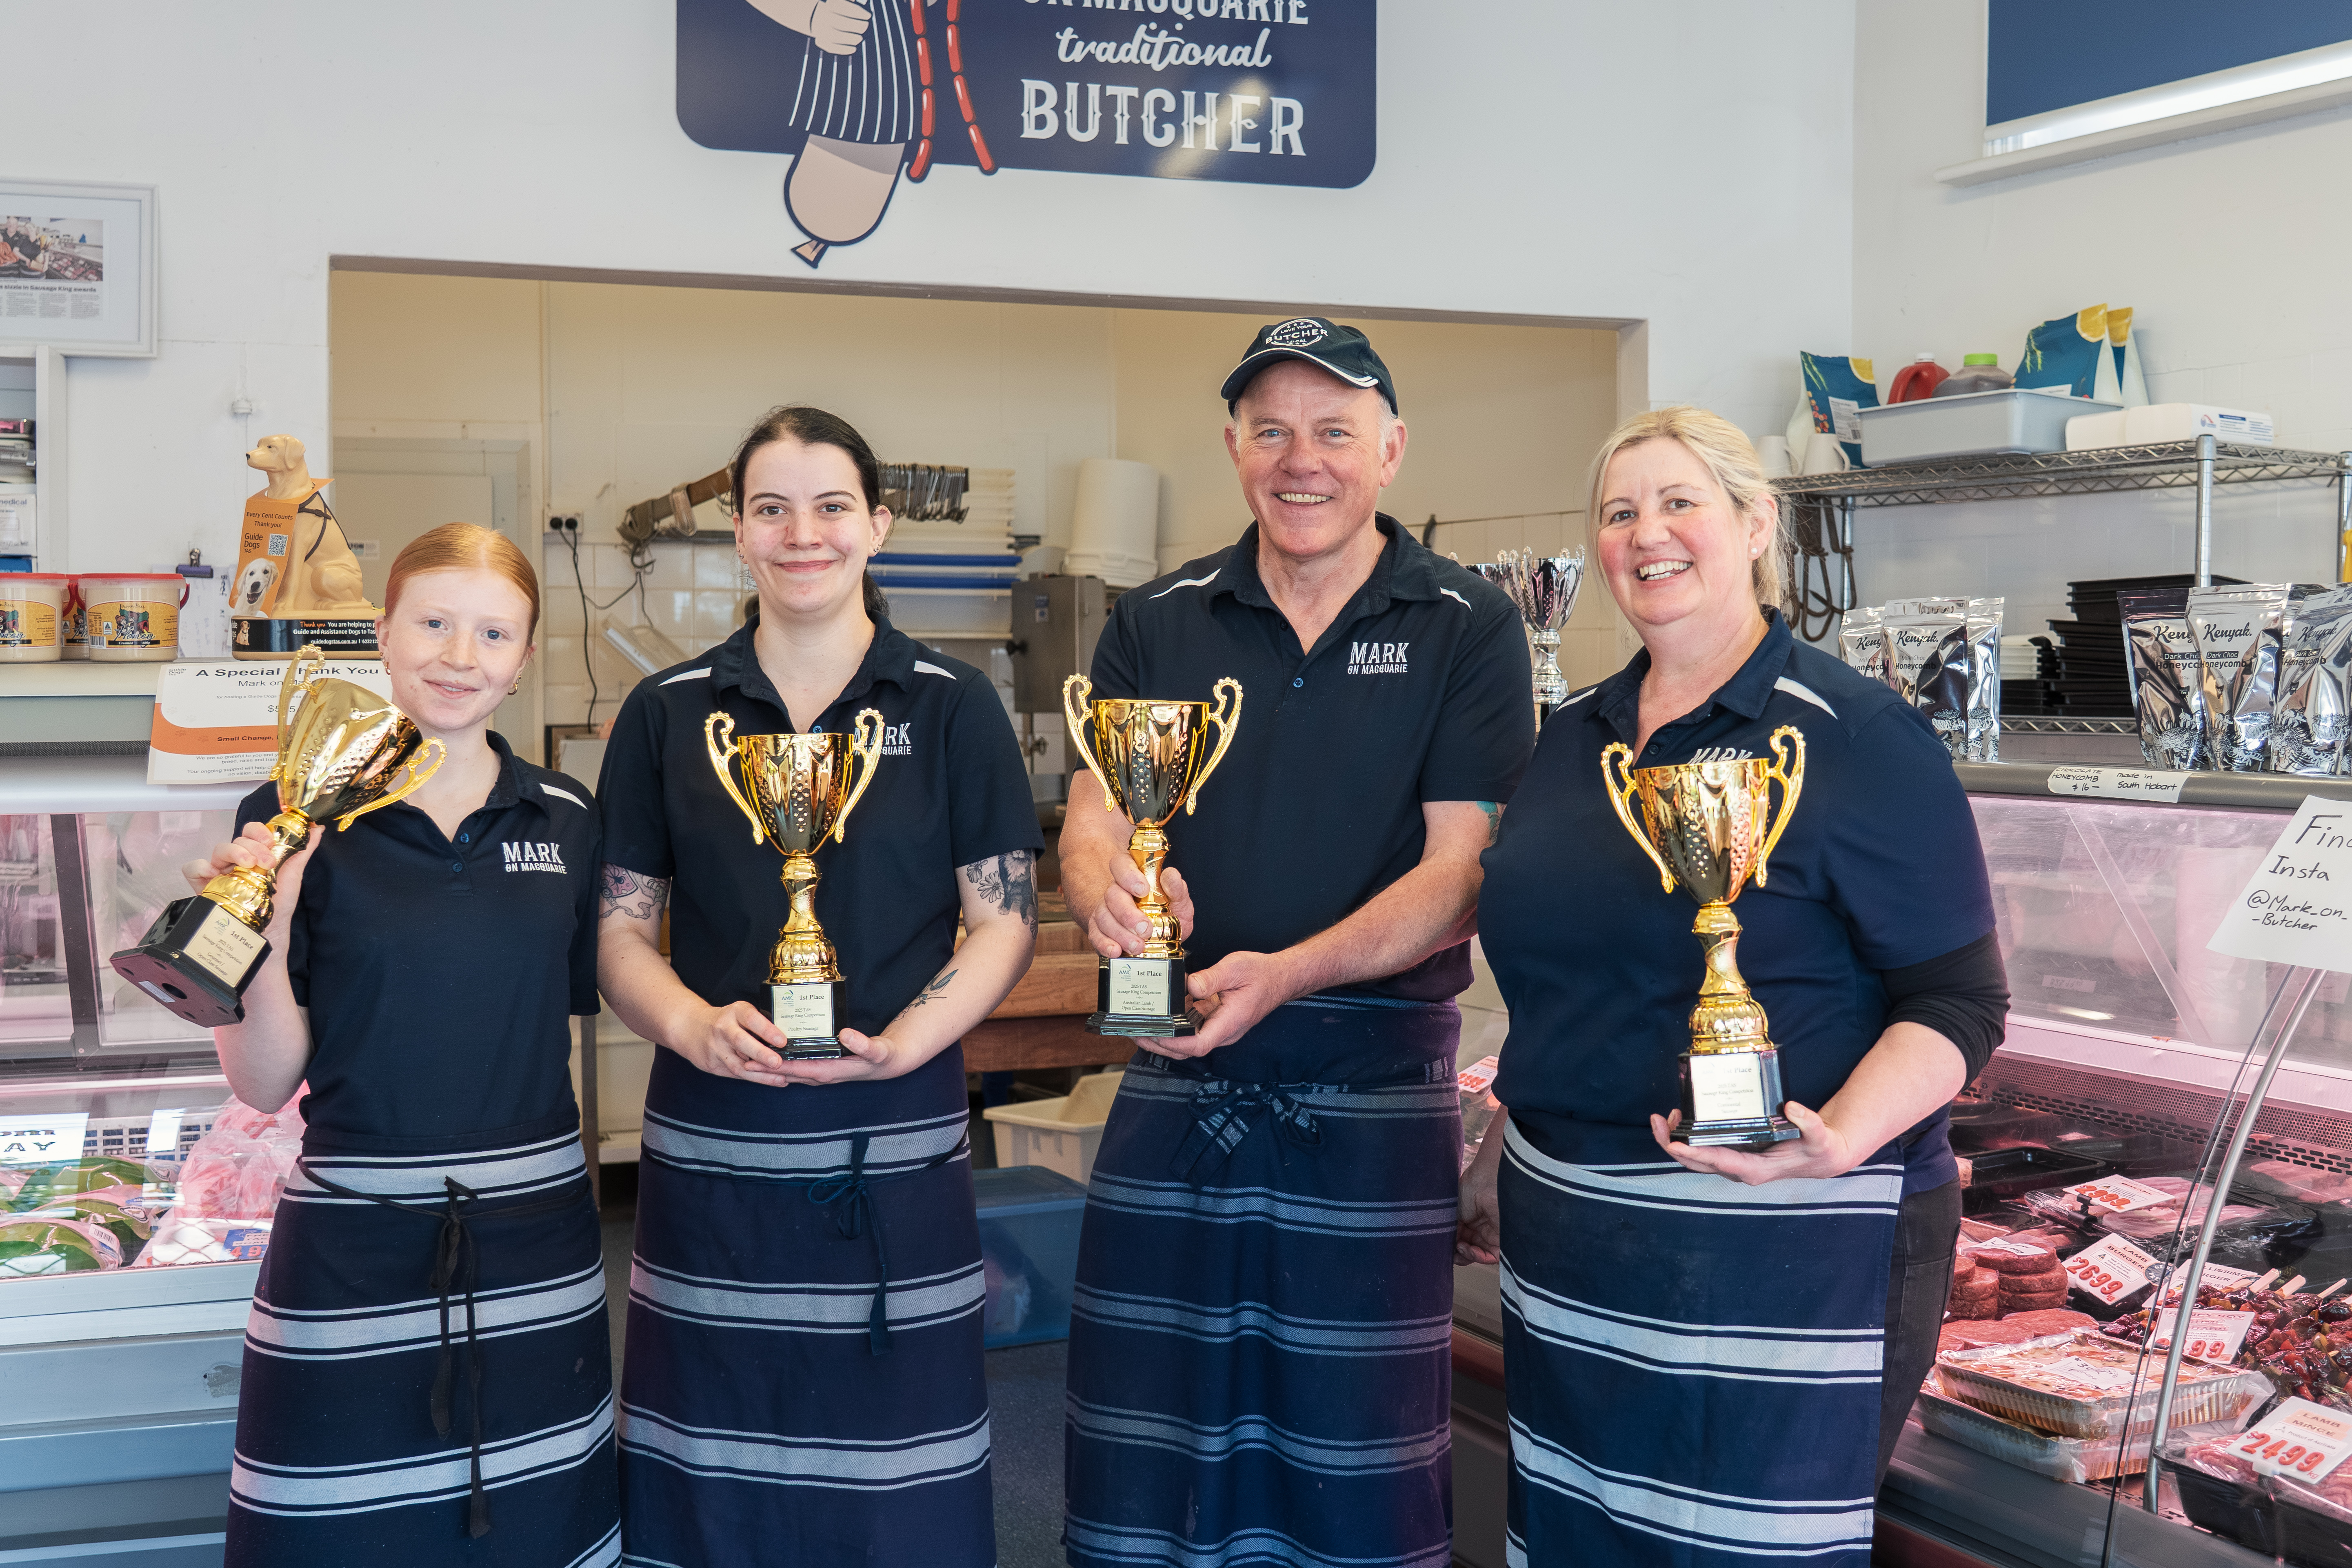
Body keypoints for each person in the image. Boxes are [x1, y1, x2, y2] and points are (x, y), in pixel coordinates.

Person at [1459, 406, 2009, 1566]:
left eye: (1678, 503)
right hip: (1574, 1238)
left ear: (1756, 524)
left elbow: (1960, 1000)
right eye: (1618, 512)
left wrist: (1842, 1136)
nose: (1644, 534)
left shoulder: (1855, 735)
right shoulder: (1569, 742)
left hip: (1786, 1238)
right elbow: (1562, 972)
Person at [1059, 318, 1537, 1568]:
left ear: (1389, 451)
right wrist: (1105, 892)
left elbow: (1460, 872)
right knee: (1144, 1430)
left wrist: (1291, 973)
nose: (1300, 458)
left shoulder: (1463, 623)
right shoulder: (1155, 618)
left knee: (1352, 1454)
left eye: (1333, 430)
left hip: (1366, 1090)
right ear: (1231, 447)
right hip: (1175, 1071)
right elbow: (1095, 817)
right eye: (1270, 430)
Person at [595, 404, 1041, 1566]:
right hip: (715, 1144)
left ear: (877, 525)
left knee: (897, 1469)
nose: (804, 534)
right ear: (738, 532)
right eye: (772, 508)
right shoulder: (664, 712)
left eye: (831, 506)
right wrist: (688, 1023)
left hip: (891, 1137)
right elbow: (619, 930)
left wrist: (914, 1035)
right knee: (713, 1460)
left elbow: (1002, 918)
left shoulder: (951, 705)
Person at [198, 523, 618, 1565]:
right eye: (431, 622)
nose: (457, 656)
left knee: (532, 1523)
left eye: (491, 633)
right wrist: (272, 921)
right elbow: (263, 1080)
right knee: (333, 1527)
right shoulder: (294, 807)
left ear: (523, 661)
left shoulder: (566, 817)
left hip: (534, 1232)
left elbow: (570, 1014)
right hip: (352, 1232)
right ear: (381, 635)